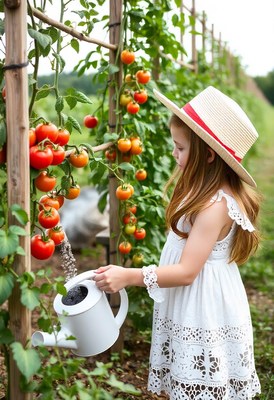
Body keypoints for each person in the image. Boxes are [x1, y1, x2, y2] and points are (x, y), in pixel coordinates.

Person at [93, 86, 261, 399]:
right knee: (187, 375)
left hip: (202, 305)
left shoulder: (215, 207)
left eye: (180, 148)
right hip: (193, 299)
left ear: (208, 155)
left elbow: (186, 273)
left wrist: (129, 276)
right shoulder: (203, 193)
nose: (174, 154)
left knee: (202, 378)